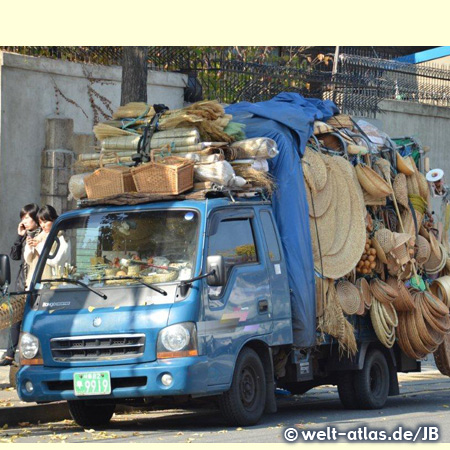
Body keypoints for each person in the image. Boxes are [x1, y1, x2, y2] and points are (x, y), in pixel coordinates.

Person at [0, 204, 40, 366]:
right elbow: (14, 256)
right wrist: (20, 237)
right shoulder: (25, 236)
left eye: (27, 217)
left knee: (33, 319)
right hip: (21, 281)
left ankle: (32, 354)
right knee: (15, 317)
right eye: (22, 217)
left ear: (37, 219)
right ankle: (10, 355)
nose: (24, 221)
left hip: (36, 281)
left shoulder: (42, 235)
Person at [27, 205, 70, 280]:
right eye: (40, 222)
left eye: (45, 222)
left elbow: (56, 262)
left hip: (54, 286)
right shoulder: (39, 237)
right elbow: (29, 260)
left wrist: (39, 246)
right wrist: (30, 247)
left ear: (54, 220)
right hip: (36, 284)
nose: (42, 225)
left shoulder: (62, 238)